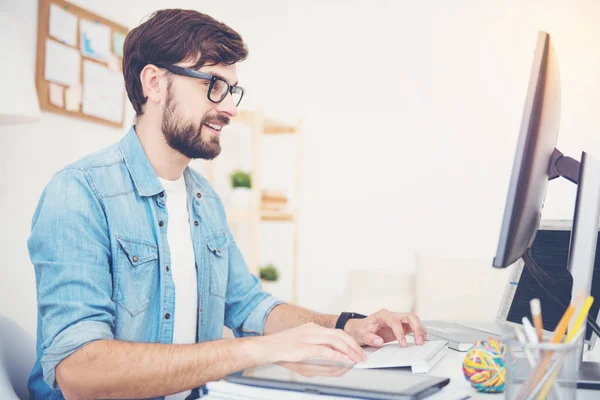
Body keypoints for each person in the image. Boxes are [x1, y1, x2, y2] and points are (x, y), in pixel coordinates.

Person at [27, 9, 427, 400]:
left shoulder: (204, 199)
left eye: (231, 89)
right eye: (213, 84)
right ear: (155, 82)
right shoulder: (80, 193)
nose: (230, 108)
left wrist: (348, 326)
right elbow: (80, 372)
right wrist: (260, 350)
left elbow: (250, 305)